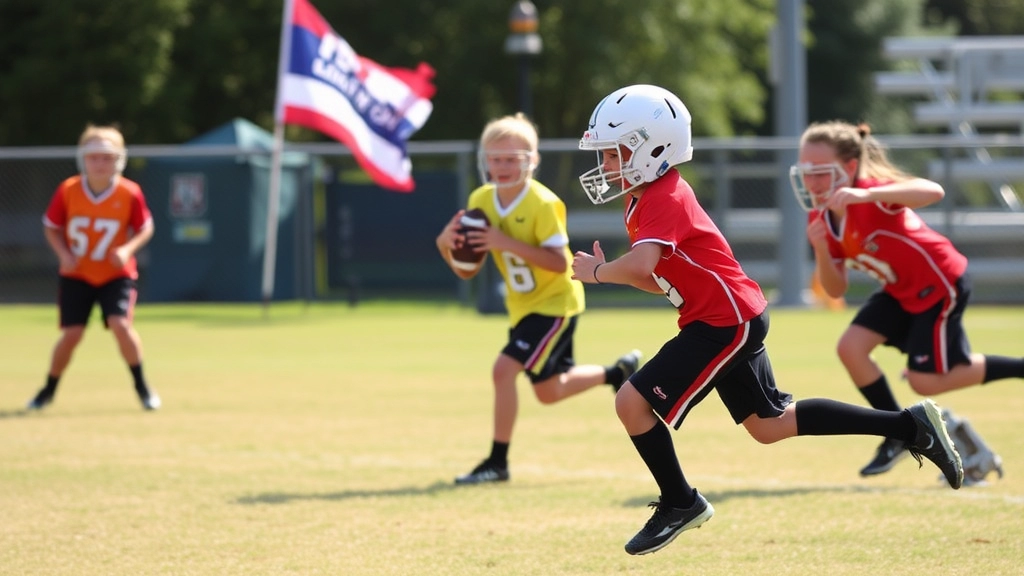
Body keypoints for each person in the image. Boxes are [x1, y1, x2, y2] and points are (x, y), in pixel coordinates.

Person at [570, 84, 963, 556]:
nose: (607, 165)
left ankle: (680, 502)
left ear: (653, 148)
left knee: (631, 402)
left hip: (723, 321)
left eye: (615, 153)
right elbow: (655, 276)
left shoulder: (662, 196)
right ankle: (910, 427)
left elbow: (637, 266)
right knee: (770, 425)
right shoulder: (642, 198)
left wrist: (598, 273)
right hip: (728, 314)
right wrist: (621, 272)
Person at [791, 120, 1022, 481]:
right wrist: (821, 246)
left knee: (925, 382)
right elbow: (835, 289)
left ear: (849, 168)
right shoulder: (820, 215)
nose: (812, 182)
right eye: (805, 173)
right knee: (850, 349)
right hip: (899, 289)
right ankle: (899, 432)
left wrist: (867, 195)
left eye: (820, 172)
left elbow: (933, 191)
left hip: (939, 283)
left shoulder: (870, 193)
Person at [436, 112, 641, 485]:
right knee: (548, 391)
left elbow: (555, 262)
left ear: (532, 160)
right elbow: (467, 271)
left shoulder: (544, 203)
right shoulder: (481, 200)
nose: (501, 166)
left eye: (511, 158)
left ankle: (497, 463)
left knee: (503, 369)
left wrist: (504, 242)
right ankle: (617, 373)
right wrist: (444, 246)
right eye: (494, 159)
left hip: (555, 303)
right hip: (523, 307)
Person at [26, 124, 161, 412]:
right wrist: (63, 253)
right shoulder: (68, 190)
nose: (99, 163)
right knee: (72, 334)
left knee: (120, 324)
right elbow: (51, 227)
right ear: (83, 158)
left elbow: (145, 228)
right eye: (94, 156)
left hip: (116, 274)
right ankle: (48, 389)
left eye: (107, 157)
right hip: (77, 273)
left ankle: (142, 386)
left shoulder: (129, 192)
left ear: (119, 160)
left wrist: (126, 249)